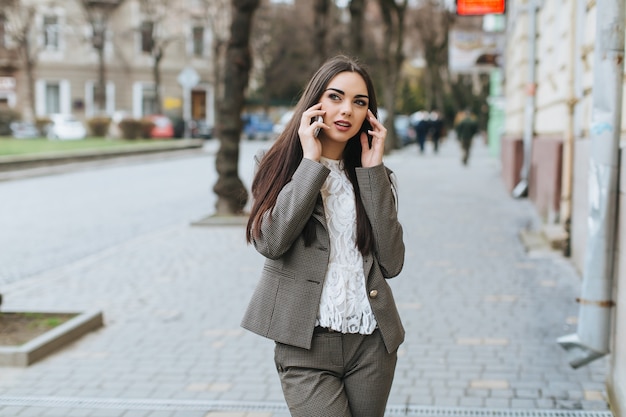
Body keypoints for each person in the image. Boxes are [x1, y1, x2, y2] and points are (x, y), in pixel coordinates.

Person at [242, 55, 405, 417]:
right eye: (335, 97)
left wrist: (373, 171)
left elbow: (392, 263)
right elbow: (270, 242)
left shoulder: (374, 177)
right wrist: (311, 164)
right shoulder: (275, 165)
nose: (346, 109)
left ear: (369, 115)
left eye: (359, 102)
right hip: (304, 346)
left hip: (371, 343)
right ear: (315, 103)